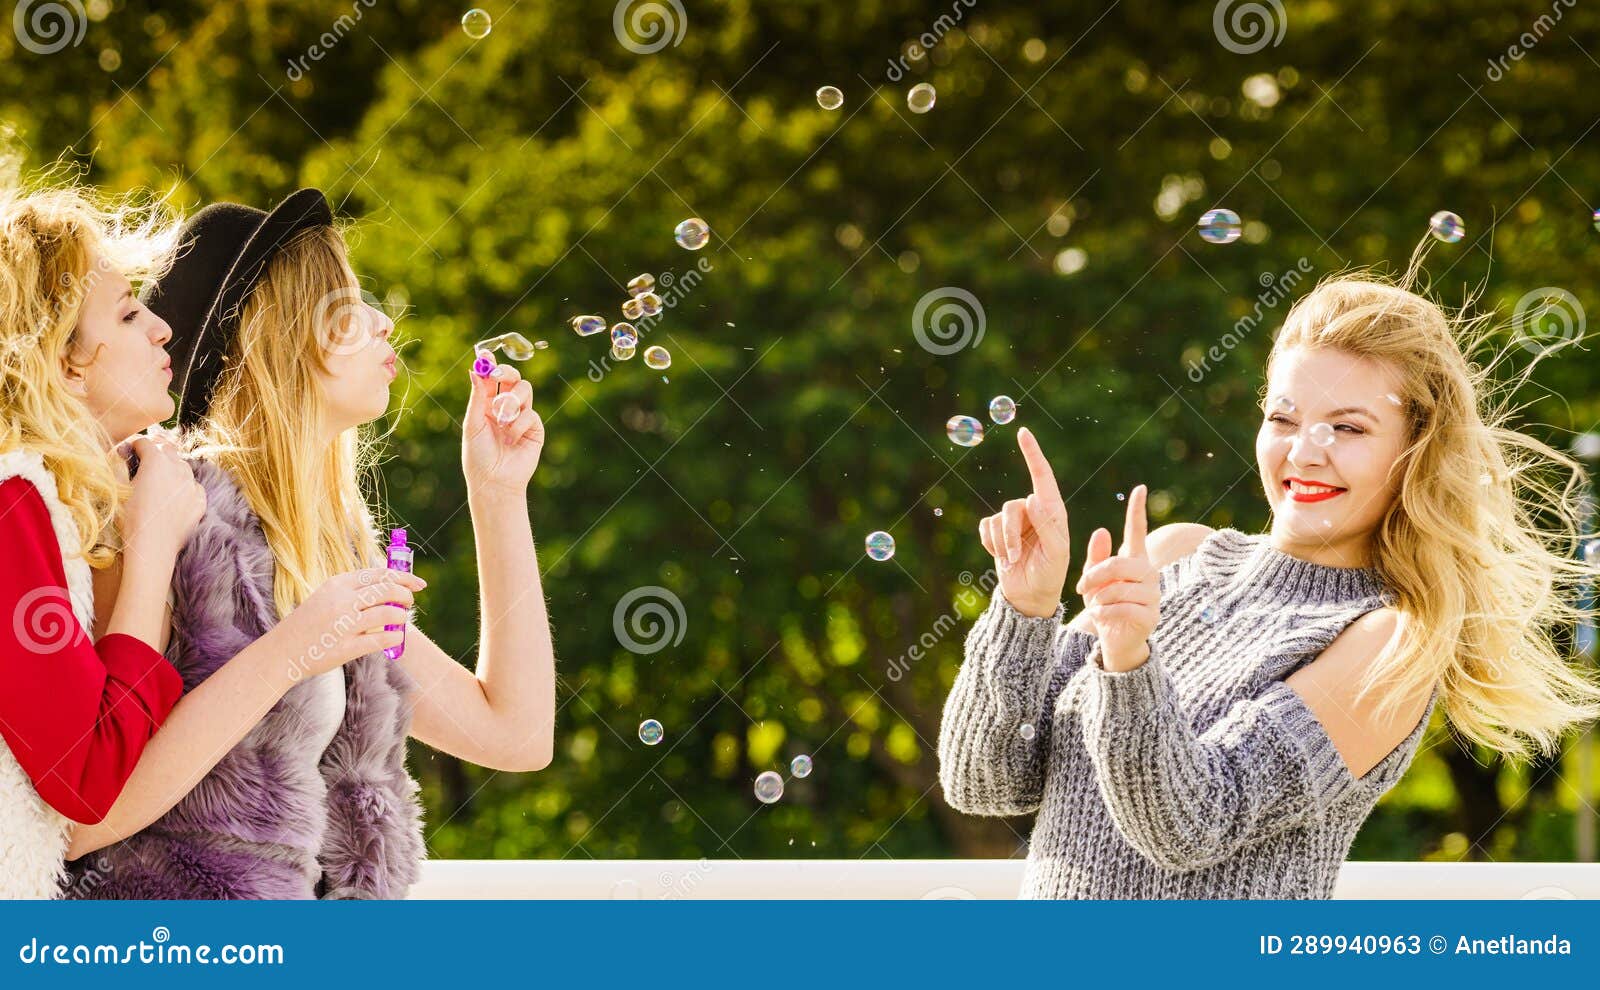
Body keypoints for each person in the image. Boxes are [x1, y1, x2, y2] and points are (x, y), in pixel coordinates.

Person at [939, 268, 1600, 898]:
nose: (1305, 450)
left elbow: (1187, 826)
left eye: (1347, 427)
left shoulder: (1386, 640)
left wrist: (1129, 660)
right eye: (1284, 419)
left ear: (1413, 452)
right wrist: (1025, 607)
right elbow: (985, 783)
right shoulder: (1173, 555)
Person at [66, 189, 555, 898]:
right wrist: (294, 646)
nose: (385, 323)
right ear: (287, 331)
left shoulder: (312, 555)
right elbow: (89, 810)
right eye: (350, 304)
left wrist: (498, 492)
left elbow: (515, 734)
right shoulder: (167, 517)